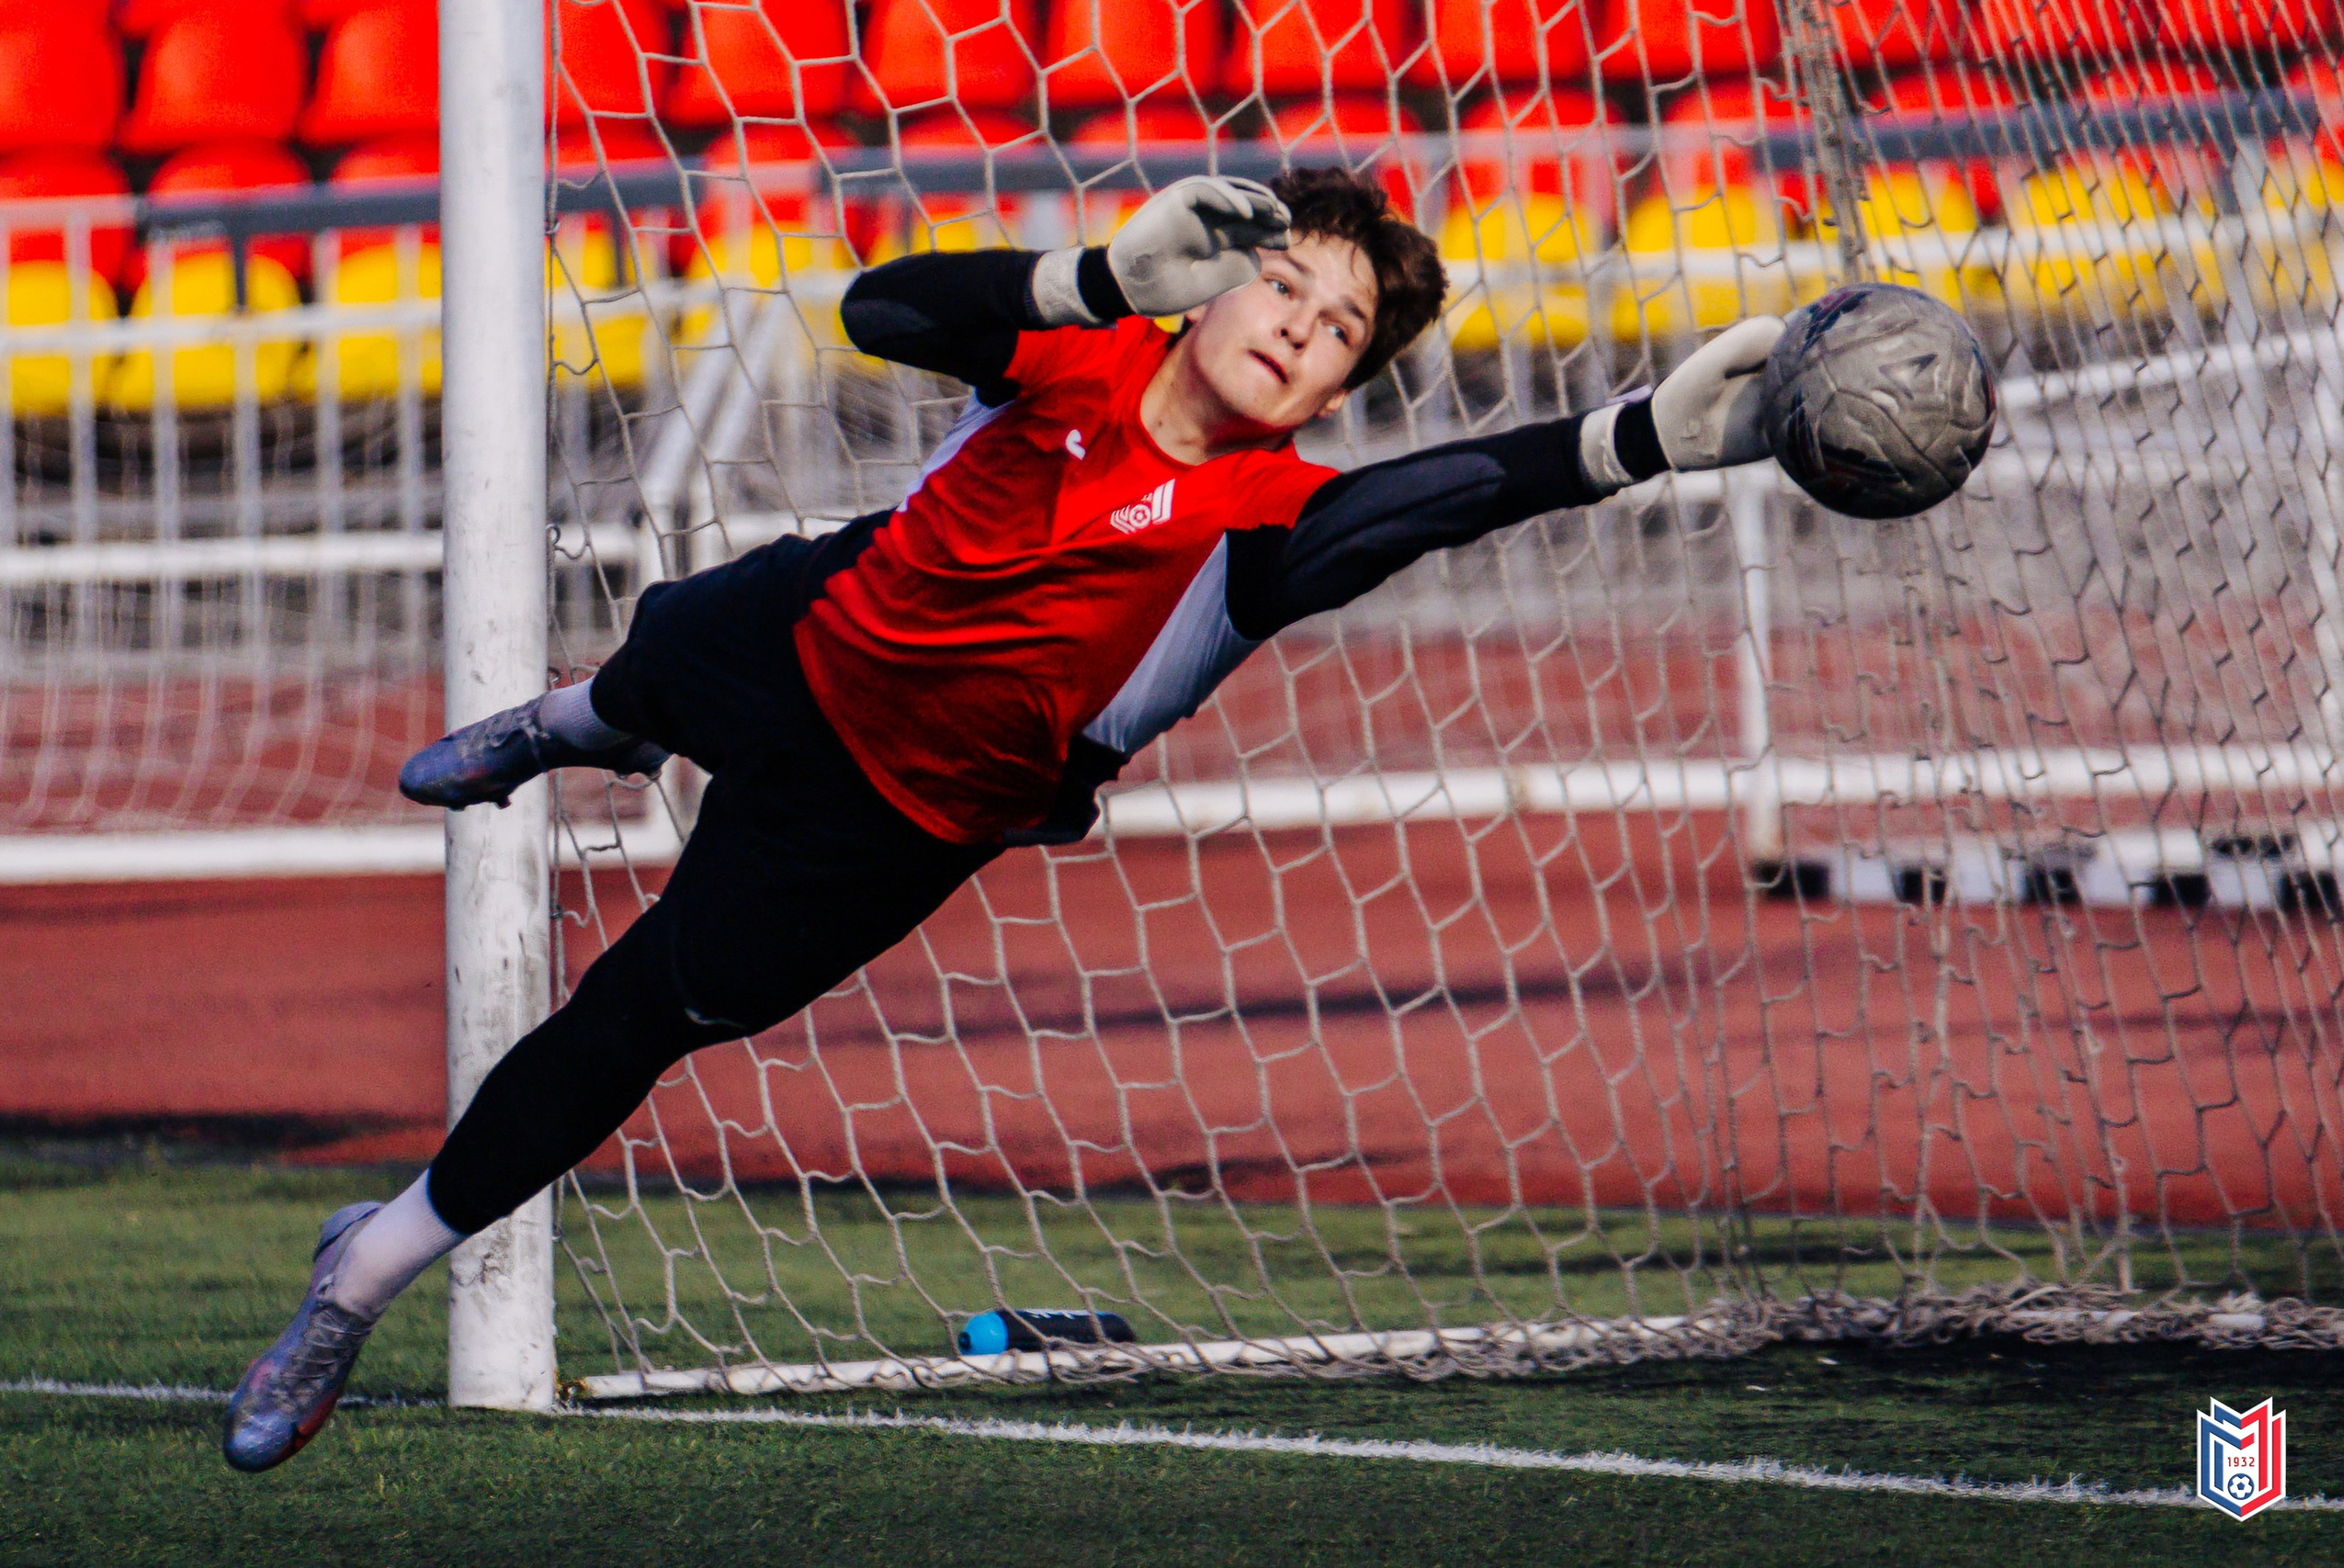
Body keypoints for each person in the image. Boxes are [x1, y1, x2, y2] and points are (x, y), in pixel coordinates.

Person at [220, 165, 1784, 1470]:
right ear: (1209, 289)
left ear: (1337, 387)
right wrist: (1091, 278)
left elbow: (1434, 499)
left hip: (886, 822)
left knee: (629, 1024)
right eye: (1284, 287)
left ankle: (357, 1279)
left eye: (1340, 331)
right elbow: (878, 311)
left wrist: (1631, 440)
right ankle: (559, 730)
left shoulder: (1266, 522)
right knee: (664, 655)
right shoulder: (1079, 353)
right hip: (808, 632)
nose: (1301, 329)